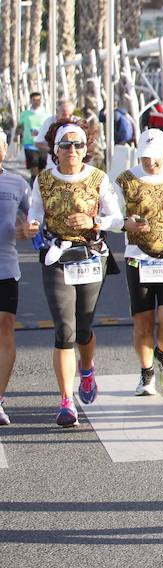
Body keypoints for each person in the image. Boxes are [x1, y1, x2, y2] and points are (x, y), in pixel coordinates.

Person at [24, 118, 124, 427]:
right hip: (57, 257)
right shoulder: (43, 180)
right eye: (66, 145)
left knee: (83, 327)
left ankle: (88, 367)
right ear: (55, 151)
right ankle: (66, 401)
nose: (72, 150)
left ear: (85, 150)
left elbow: (117, 220)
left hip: (91, 257)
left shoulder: (98, 178)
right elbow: (35, 213)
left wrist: (94, 223)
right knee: (64, 331)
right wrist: (32, 225)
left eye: (78, 145)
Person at [115, 129, 163, 396]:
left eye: (156, 157)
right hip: (139, 257)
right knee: (143, 322)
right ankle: (146, 374)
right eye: (145, 157)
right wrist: (124, 225)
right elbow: (111, 214)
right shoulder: (125, 180)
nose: (151, 162)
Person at [0, 130, 32, 425]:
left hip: (6, 268)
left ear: (5, 149)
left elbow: (34, 217)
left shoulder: (16, 183)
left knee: (5, 328)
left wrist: (29, 230)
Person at [16, 92, 51, 181]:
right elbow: (20, 126)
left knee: (41, 169)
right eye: (34, 100)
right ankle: (33, 185)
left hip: (42, 145)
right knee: (34, 166)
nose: (36, 102)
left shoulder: (46, 114)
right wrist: (16, 136)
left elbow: (49, 128)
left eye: (38, 100)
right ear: (31, 100)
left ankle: (40, 187)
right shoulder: (25, 114)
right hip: (29, 144)